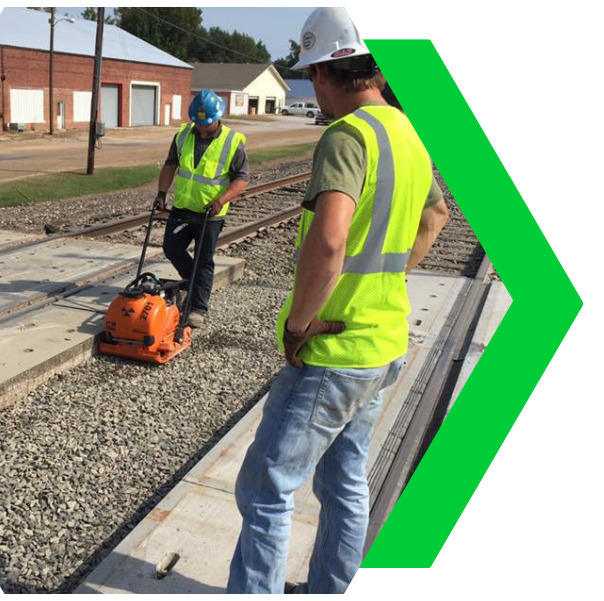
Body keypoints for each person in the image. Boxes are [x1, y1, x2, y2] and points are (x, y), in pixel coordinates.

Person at [226, 6, 449, 596]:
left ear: (326, 71)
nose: (315, 91)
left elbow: (327, 243)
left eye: (312, 75)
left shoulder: (346, 136)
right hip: (384, 343)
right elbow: (436, 216)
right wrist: (386, 280)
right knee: (346, 483)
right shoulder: (408, 132)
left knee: (266, 489)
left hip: (332, 348)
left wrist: (298, 325)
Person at [155, 90, 250, 328]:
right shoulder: (183, 135)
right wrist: (161, 193)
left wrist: (221, 200)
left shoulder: (232, 141)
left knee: (204, 259)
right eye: (197, 122)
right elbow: (170, 165)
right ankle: (194, 282)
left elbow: (241, 179)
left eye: (205, 123)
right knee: (171, 247)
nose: (201, 127)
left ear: (217, 117)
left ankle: (198, 307)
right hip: (183, 206)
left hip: (211, 212)